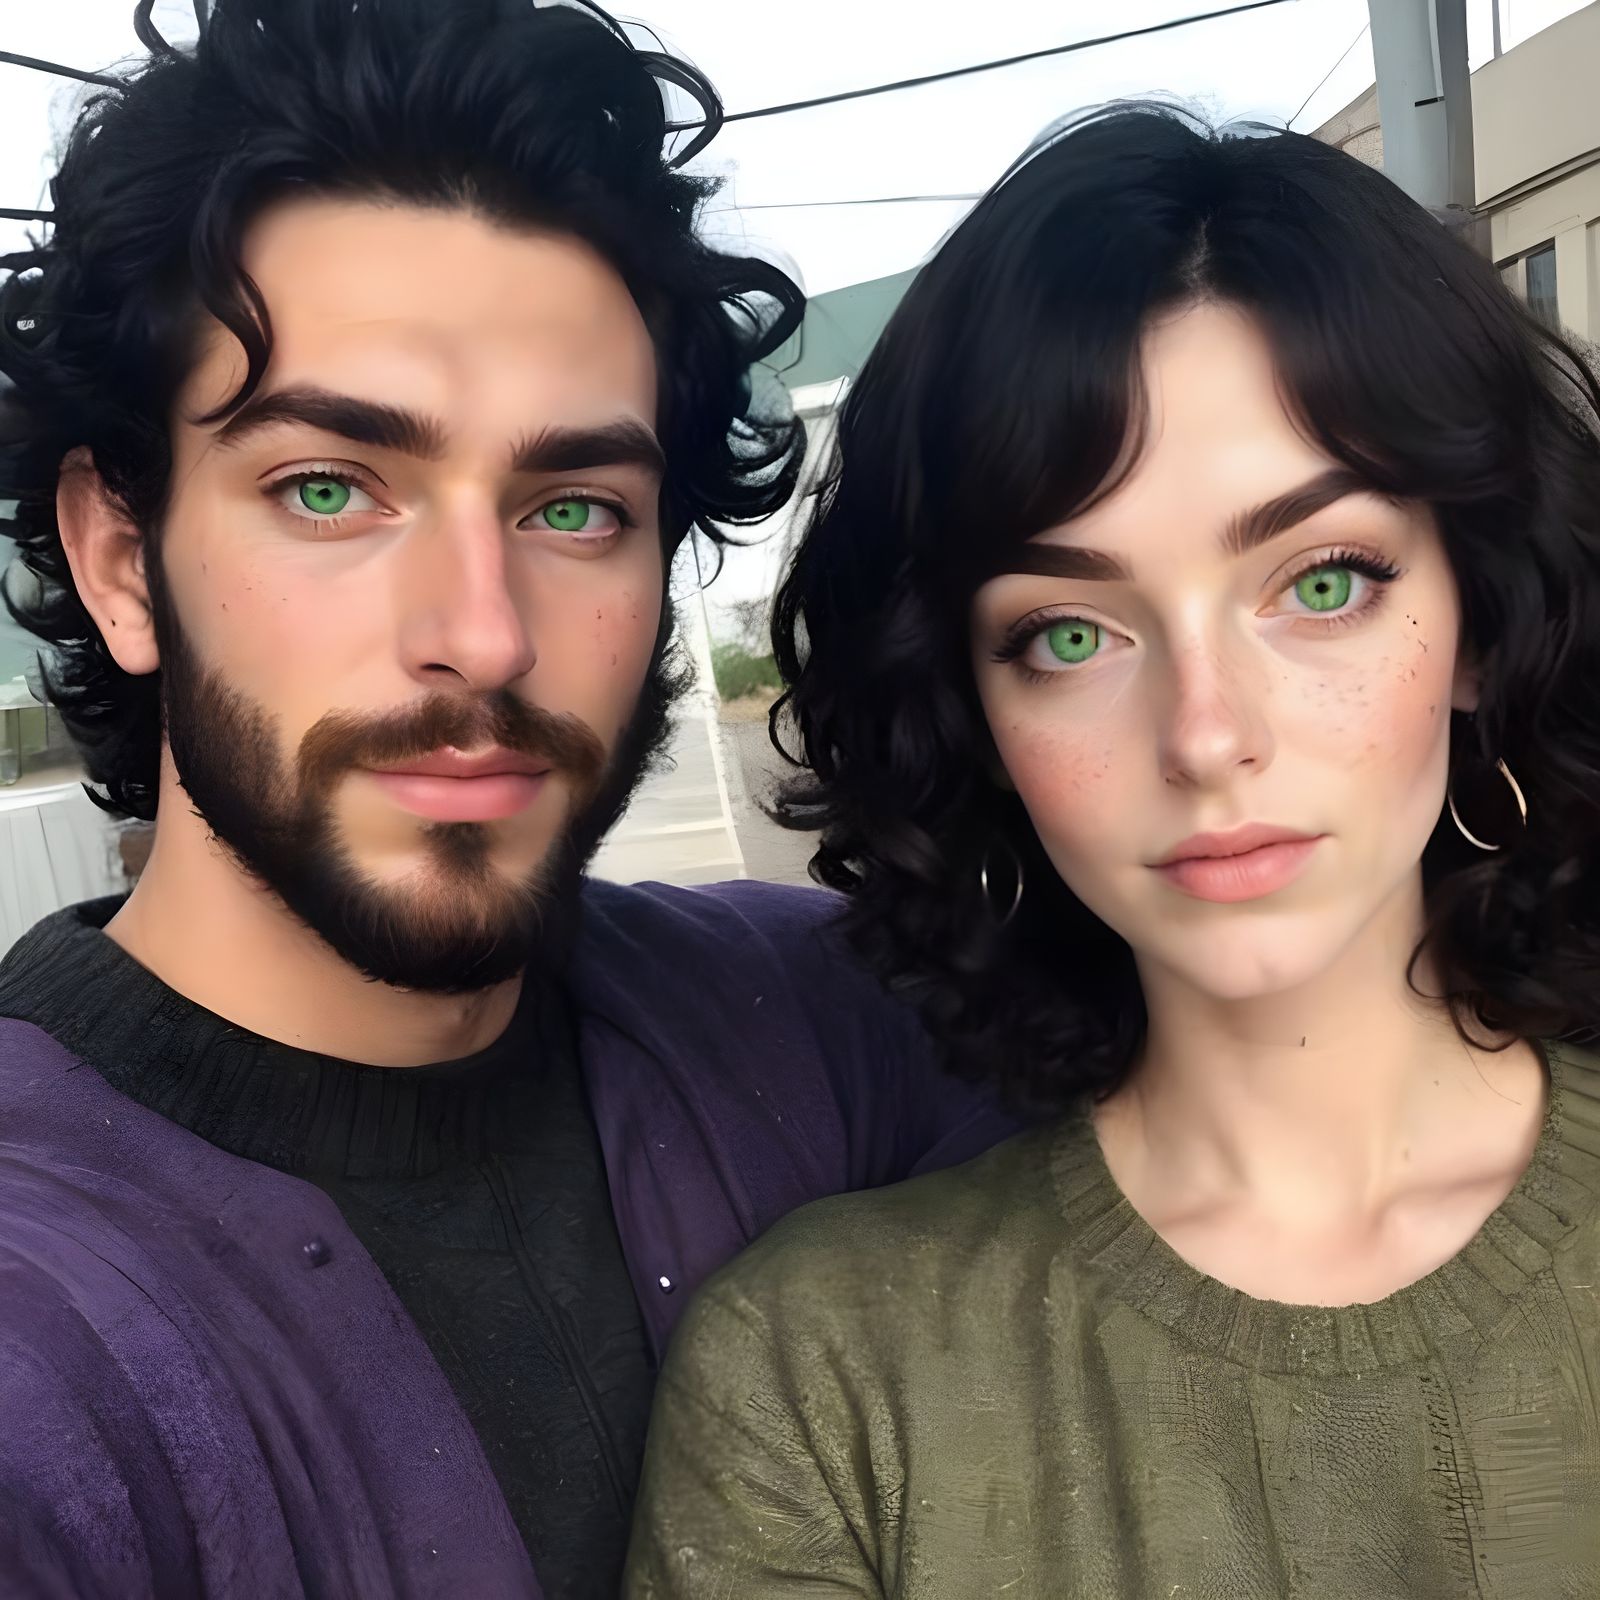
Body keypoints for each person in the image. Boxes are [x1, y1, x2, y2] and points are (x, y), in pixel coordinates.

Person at [0, 4, 1020, 1596]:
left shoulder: (823, 1025)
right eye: (327, 488)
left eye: (573, 506)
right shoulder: (44, 1335)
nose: (480, 630)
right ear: (123, 560)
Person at [625, 105, 1600, 1596]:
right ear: (974, 711)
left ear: (1478, 617)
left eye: (1321, 581)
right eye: (1069, 633)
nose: (1208, 735)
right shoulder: (823, 1387)